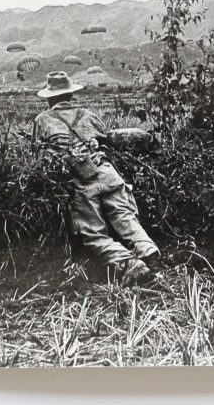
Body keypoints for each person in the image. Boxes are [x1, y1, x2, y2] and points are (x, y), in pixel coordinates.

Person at [32, 71, 160, 286]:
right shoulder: (89, 114)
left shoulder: (42, 120)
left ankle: (129, 263)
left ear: (49, 97)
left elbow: (38, 157)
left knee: (93, 233)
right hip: (108, 174)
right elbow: (106, 140)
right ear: (71, 95)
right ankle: (149, 255)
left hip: (82, 181)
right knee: (126, 219)